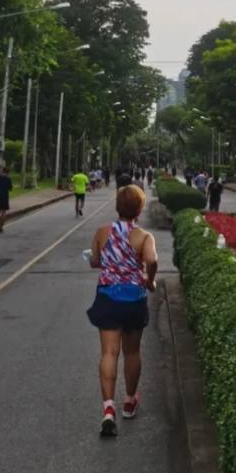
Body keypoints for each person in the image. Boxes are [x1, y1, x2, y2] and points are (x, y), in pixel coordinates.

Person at [86, 185, 158, 438]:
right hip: (133, 299)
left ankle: (108, 410)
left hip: (107, 297)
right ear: (139, 209)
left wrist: (101, 262)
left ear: (118, 207)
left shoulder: (102, 232)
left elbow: (95, 260)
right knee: (132, 351)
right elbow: (151, 260)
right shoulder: (144, 237)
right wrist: (150, 280)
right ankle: (129, 400)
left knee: (109, 352)